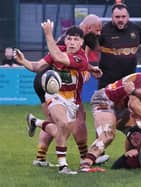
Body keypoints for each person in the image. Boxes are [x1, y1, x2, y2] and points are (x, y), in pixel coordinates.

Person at [15, 21, 89, 174]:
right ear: (65, 40)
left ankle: (36, 122)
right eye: (69, 38)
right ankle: (63, 166)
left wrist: (48, 34)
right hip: (54, 96)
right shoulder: (58, 50)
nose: (72, 42)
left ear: (82, 42)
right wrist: (23, 61)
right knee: (62, 124)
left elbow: (60, 58)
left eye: (76, 39)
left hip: (72, 101)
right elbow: (37, 67)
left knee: (61, 131)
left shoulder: (81, 58)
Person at [31, 14, 105, 168]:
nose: (99, 33)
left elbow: (78, 64)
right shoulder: (73, 41)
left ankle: (40, 155)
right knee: (74, 121)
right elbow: (61, 60)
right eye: (97, 30)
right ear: (88, 28)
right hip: (52, 84)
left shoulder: (77, 40)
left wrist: (90, 69)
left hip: (51, 83)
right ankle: (84, 158)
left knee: (60, 122)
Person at [79, 72, 141, 172]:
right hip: (104, 99)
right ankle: (85, 165)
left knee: (138, 133)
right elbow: (133, 105)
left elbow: (138, 105)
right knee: (108, 134)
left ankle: (130, 159)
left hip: (123, 106)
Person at [98, 3, 141, 89]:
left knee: (130, 102)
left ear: (128, 16)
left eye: (123, 17)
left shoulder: (135, 28)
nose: (120, 19)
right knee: (104, 102)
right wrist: (88, 68)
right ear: (112, 17)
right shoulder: (104, 30)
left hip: (129, 79)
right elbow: (89, 46)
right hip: (108, 80)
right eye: (117, 17)